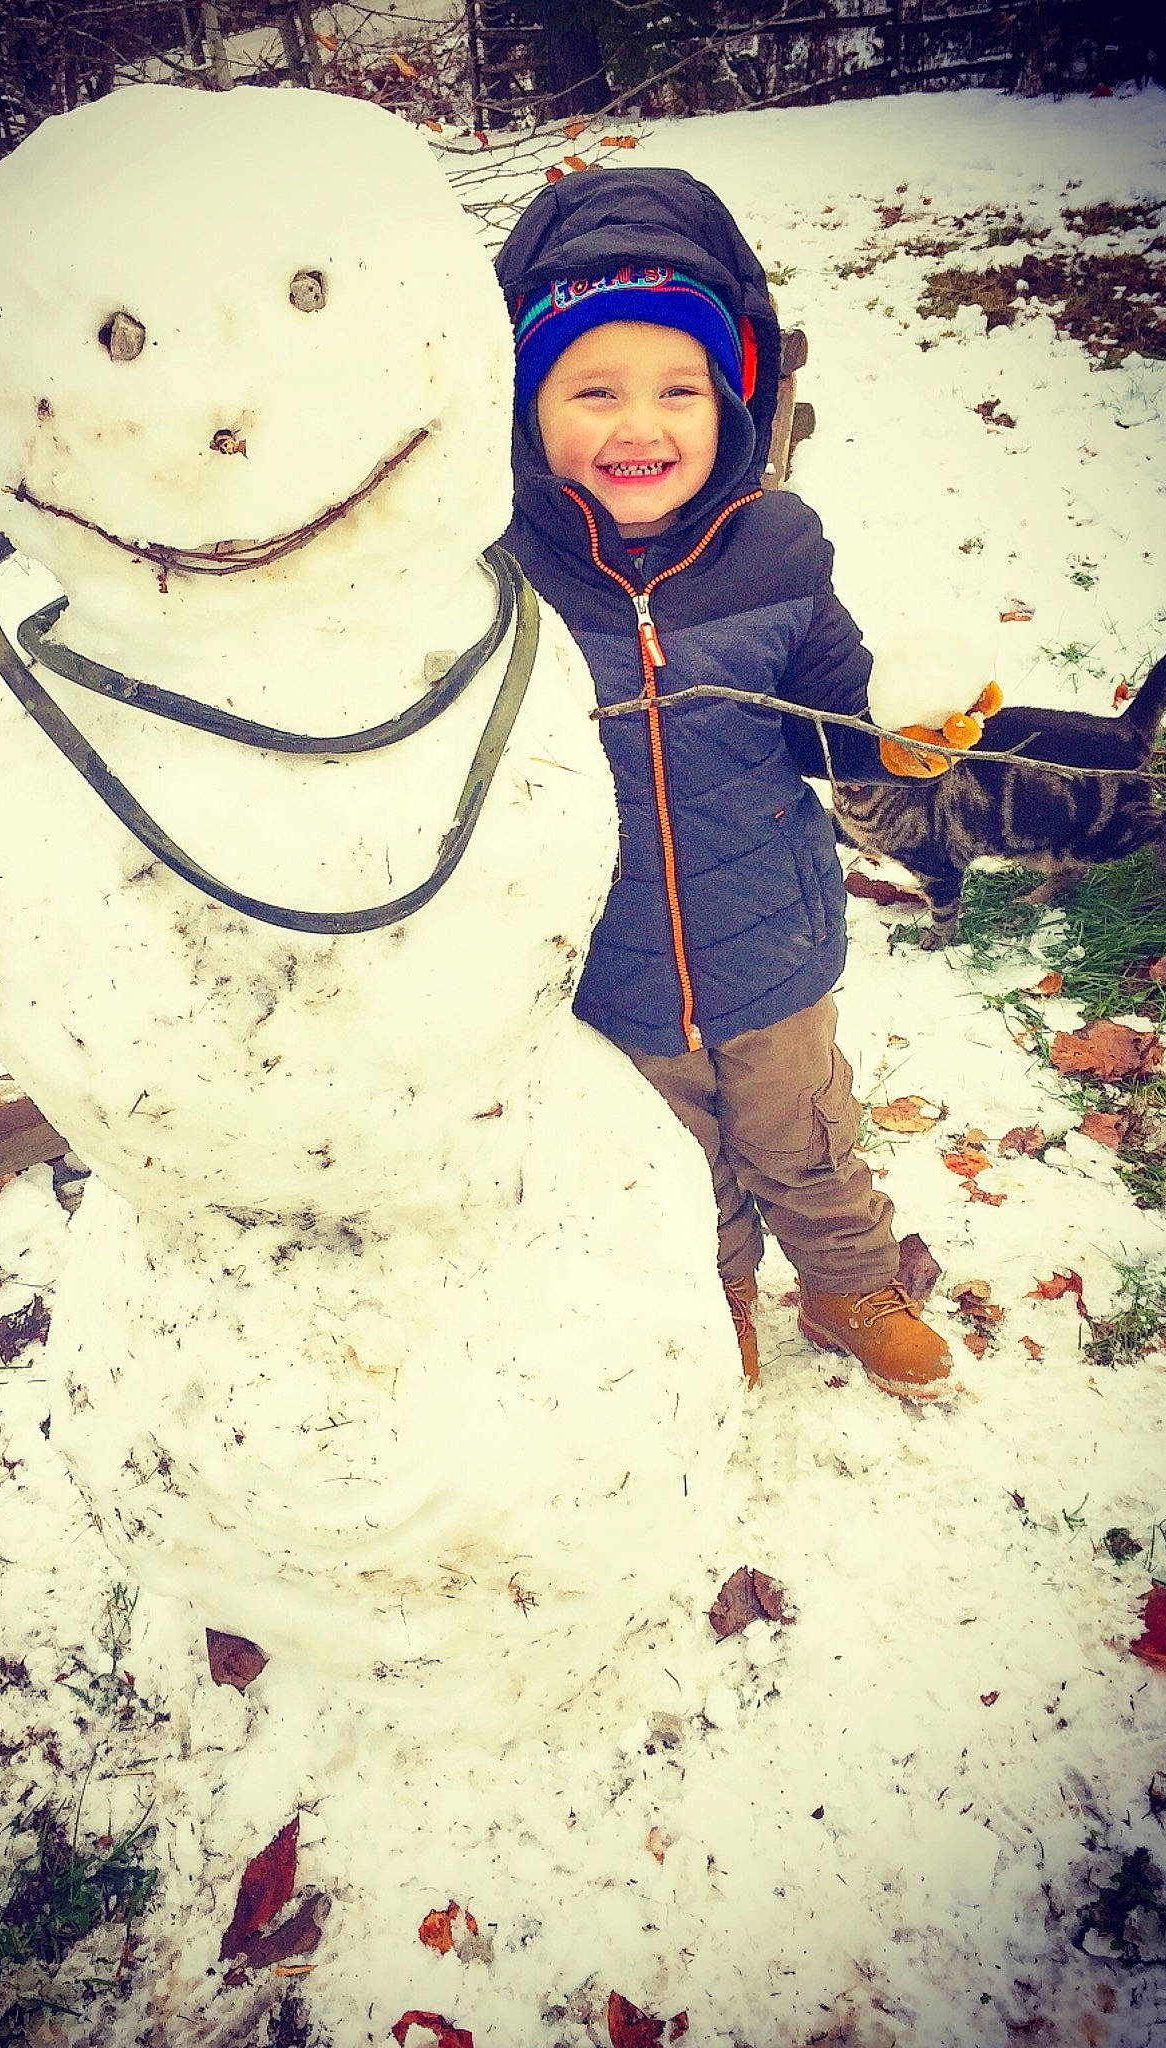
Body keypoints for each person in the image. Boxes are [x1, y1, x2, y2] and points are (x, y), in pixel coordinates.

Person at [495, 167, 982, 1402]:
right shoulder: (493, 577)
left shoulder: (776, 547)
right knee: (670, 1159)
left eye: (679, 390)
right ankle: (710, 1295)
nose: (639, 426)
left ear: (730, 401)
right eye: (591, 391)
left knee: (807, 1139)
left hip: (771, 939)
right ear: (522, 411)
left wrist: (894, 739)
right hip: (605, 959)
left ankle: (846, 1281)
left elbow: (833, 719)